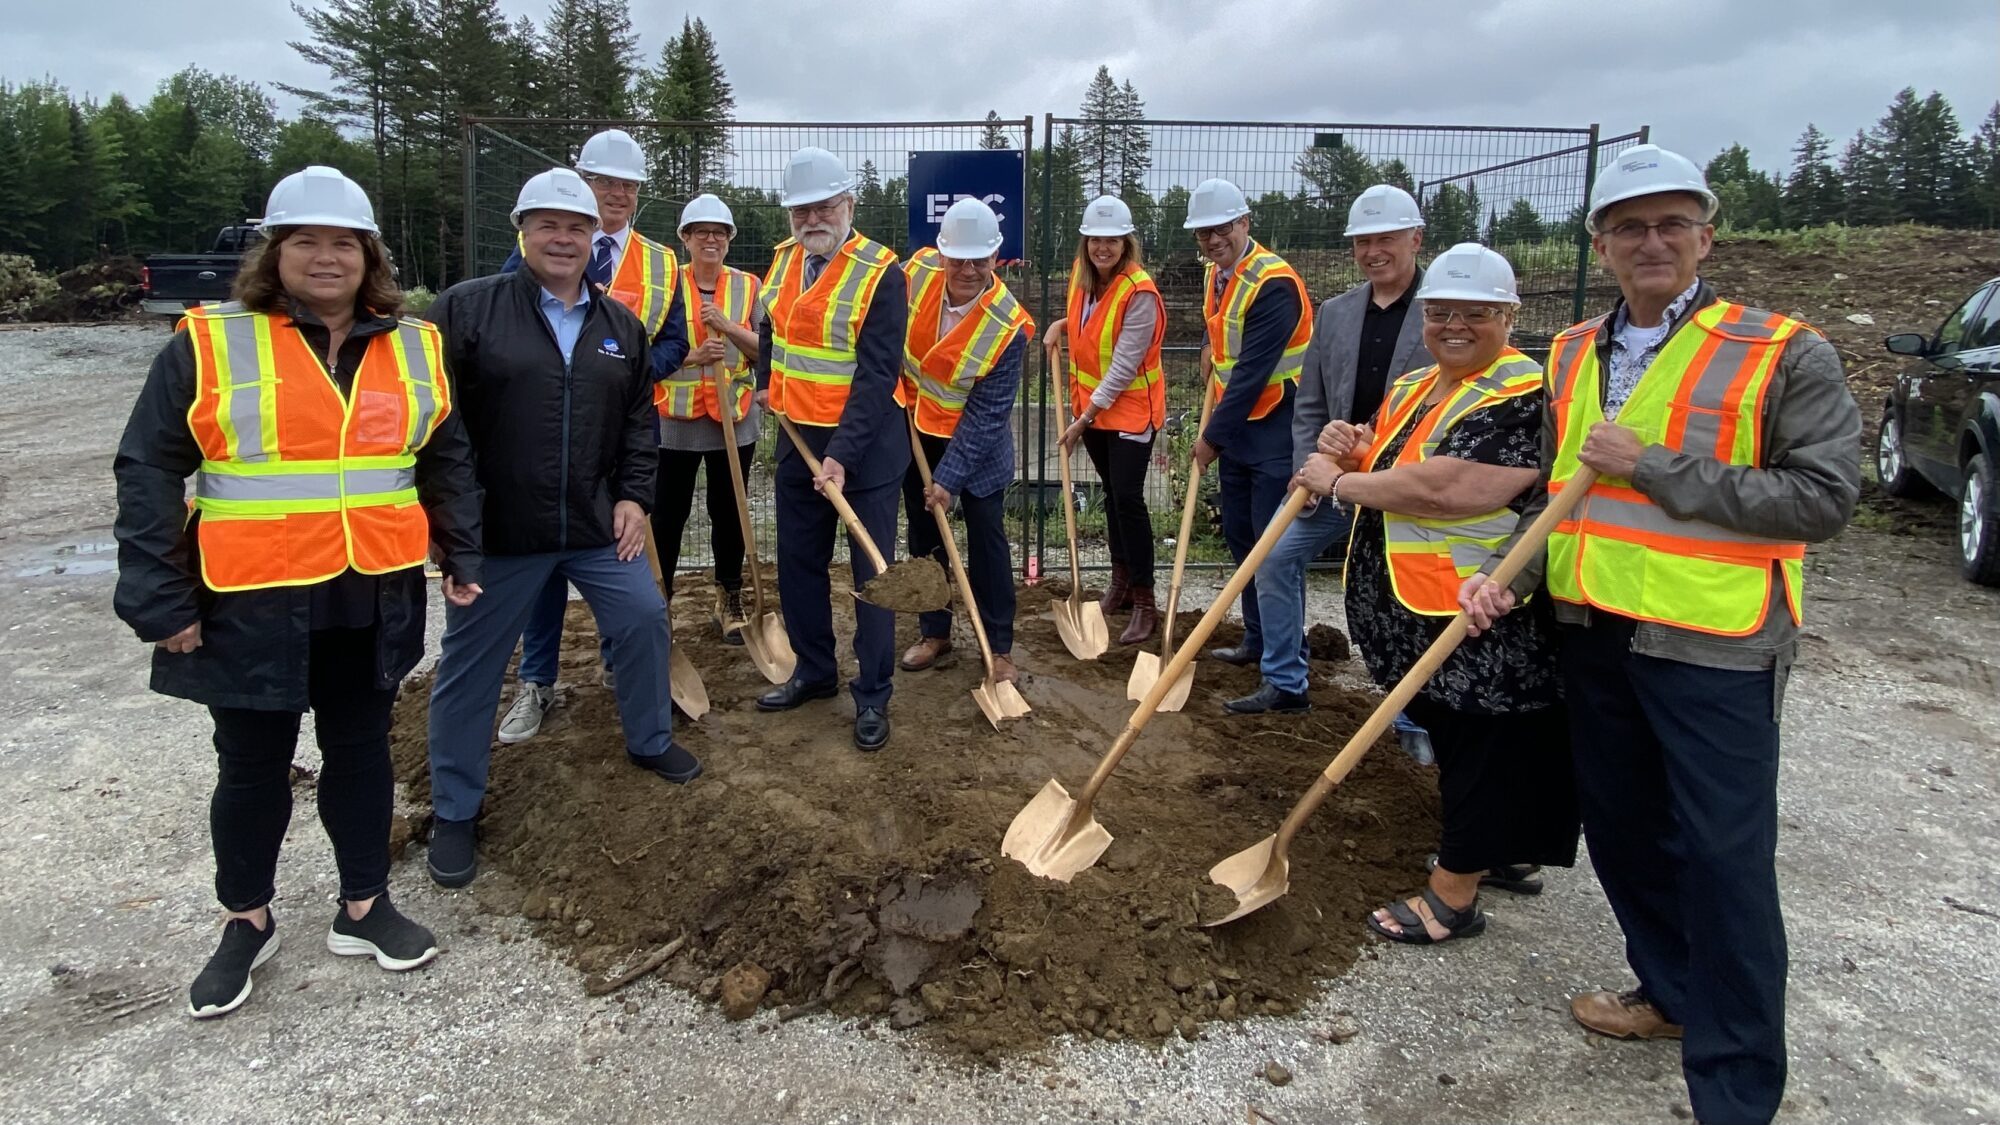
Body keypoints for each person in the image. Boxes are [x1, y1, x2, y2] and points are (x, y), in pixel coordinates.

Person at [1459, 145, 1861, 1125]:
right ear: (1600, 245)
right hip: (1594, 633)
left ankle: (1732, 1091)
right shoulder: (1569, 354)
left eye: (1670, 223)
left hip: (1713, 645)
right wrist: (1505, 570)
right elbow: (1564, 495)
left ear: (1704, 236)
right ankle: (1671, 995)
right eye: (1628, 227)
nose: (1650, 242)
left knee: (1723, 864)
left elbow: (1822, 498)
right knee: (1626, 835)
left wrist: (1658, 467)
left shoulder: (1777, 351)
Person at [113, 166, 482, 1018]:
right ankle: (246, 918)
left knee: (359, 750)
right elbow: (148, 469)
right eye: (306, 241)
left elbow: (444, 456)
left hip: (369, 590)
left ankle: (363, 905)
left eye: (343, 243)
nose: (326, 257)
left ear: (369, 256)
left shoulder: (412, 344)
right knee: (250, 766)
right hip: (250, 597)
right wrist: (160, 599)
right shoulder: (210, 342)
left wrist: (462, 550)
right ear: (275, 252)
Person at [424, 167, 701, 890]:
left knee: (643, 617)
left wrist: (636, 497)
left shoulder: (619, 328)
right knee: (470, 667)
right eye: (548, 224)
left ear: (593, 241)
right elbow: (437, 427)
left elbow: (640, 423)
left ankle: (648, 739)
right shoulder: (468, 311)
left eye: (576, 227)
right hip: (501, 532)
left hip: (590, 521)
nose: (563, 238)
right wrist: (451, 526)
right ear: (522, 230)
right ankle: (456, 808)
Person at [1297, 243, 1578, 946]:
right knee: (1462, 737)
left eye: (1474, 313)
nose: (1454, 325)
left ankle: (1454, 895)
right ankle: (1500, 850)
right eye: (1442, 312)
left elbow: (1448, 485)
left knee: (1480, 739)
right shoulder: (1421, 384)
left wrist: (1341, 482)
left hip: (1478, 607)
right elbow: (1391, 451)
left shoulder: (1519, 391)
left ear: (1508, 315)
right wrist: (1348, 442)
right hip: (1419, 606)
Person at [498, 128, 689, 745]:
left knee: (622, 549)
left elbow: (675, 340)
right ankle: (537, 680)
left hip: (623, 431)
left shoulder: (663, 263)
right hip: (547, 435)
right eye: (604, 182)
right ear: (583, 184)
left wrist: (628, 375)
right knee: (546, 564)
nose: (616, 194)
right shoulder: (542, 246)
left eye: (627, 185)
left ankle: (619, 660)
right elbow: (505, 323)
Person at [1227, 184, 1433, 728]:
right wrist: (1308, 467)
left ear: (1416, 238)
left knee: (1400, 588)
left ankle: (1414, 715)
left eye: (1386, 238)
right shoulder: (1337, 313)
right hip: (1334, 476)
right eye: (1363, 241)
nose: (1374, 251)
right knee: (1274, 557)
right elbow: (1311, 403)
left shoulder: (1446, 314)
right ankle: (1285, 681)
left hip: (1408, 481)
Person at [753, 147, 909, 752]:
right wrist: (768, 382)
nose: (811, 218)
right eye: (801, 209)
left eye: (823, 206)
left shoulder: (881, 273)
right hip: (796, 441)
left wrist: (842, 452)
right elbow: (772, 323)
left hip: (862, 452)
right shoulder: (785, 261)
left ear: (848, 204)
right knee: (797, 564)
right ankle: (814, 671)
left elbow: (877, 376)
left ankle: (872, 694)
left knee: (872, 575)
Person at [897, 199, 1034, 680]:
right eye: (959, 259)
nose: (969, 270)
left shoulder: (1008, 326)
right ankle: (934, 631)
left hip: (976, 451)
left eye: (980, 259)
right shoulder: (914, 277)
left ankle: (997, 646)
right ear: (941, 254)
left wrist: (949, 480)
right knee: (925, 540)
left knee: (988, 544)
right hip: (916, 435)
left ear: (997, 259)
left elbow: (987, 415)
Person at [1181, 179, 1312, 670]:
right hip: (1240, 430)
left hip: (1276, 426)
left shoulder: (1273, 283)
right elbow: (1223, 338)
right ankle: (1258, 640)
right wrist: (1205, 353)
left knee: (1270, 547)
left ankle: (1288, 653)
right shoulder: (1219, 275)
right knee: (1240, 534)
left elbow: (1254, 371)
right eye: (1204, 234)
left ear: (1244, 223)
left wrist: (1211, 438)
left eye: (1221, 230)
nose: (1213, 241)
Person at [1051, 194, 1167, 646]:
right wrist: (1062, 324)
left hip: (1130, 413)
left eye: (1112, 240)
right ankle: (1119, 584)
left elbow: (1122, 364)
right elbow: (1095, 321)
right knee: (1114, 498)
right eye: (1096, 239)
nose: (1103, 247)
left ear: (1126, 243)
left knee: (1129, 501)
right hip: (1094, 413)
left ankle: (1144, 601)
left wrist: (1084, 419)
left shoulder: (1140, 293)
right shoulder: (1083, 283)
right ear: (1086, 243)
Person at [651, 192, 763, 646]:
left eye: (719, 232)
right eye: (701, 233)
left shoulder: (749, 287)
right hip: (673, 420)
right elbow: (646, 353)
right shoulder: (664, 284)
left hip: (733, 419)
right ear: (686, 239)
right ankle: (659, 603)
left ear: (729, 240)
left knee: (730, 512)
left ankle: (729, 596)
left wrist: (729, 326)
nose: (710, 240)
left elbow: (765, 351)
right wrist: (692, 358)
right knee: (667, 516)